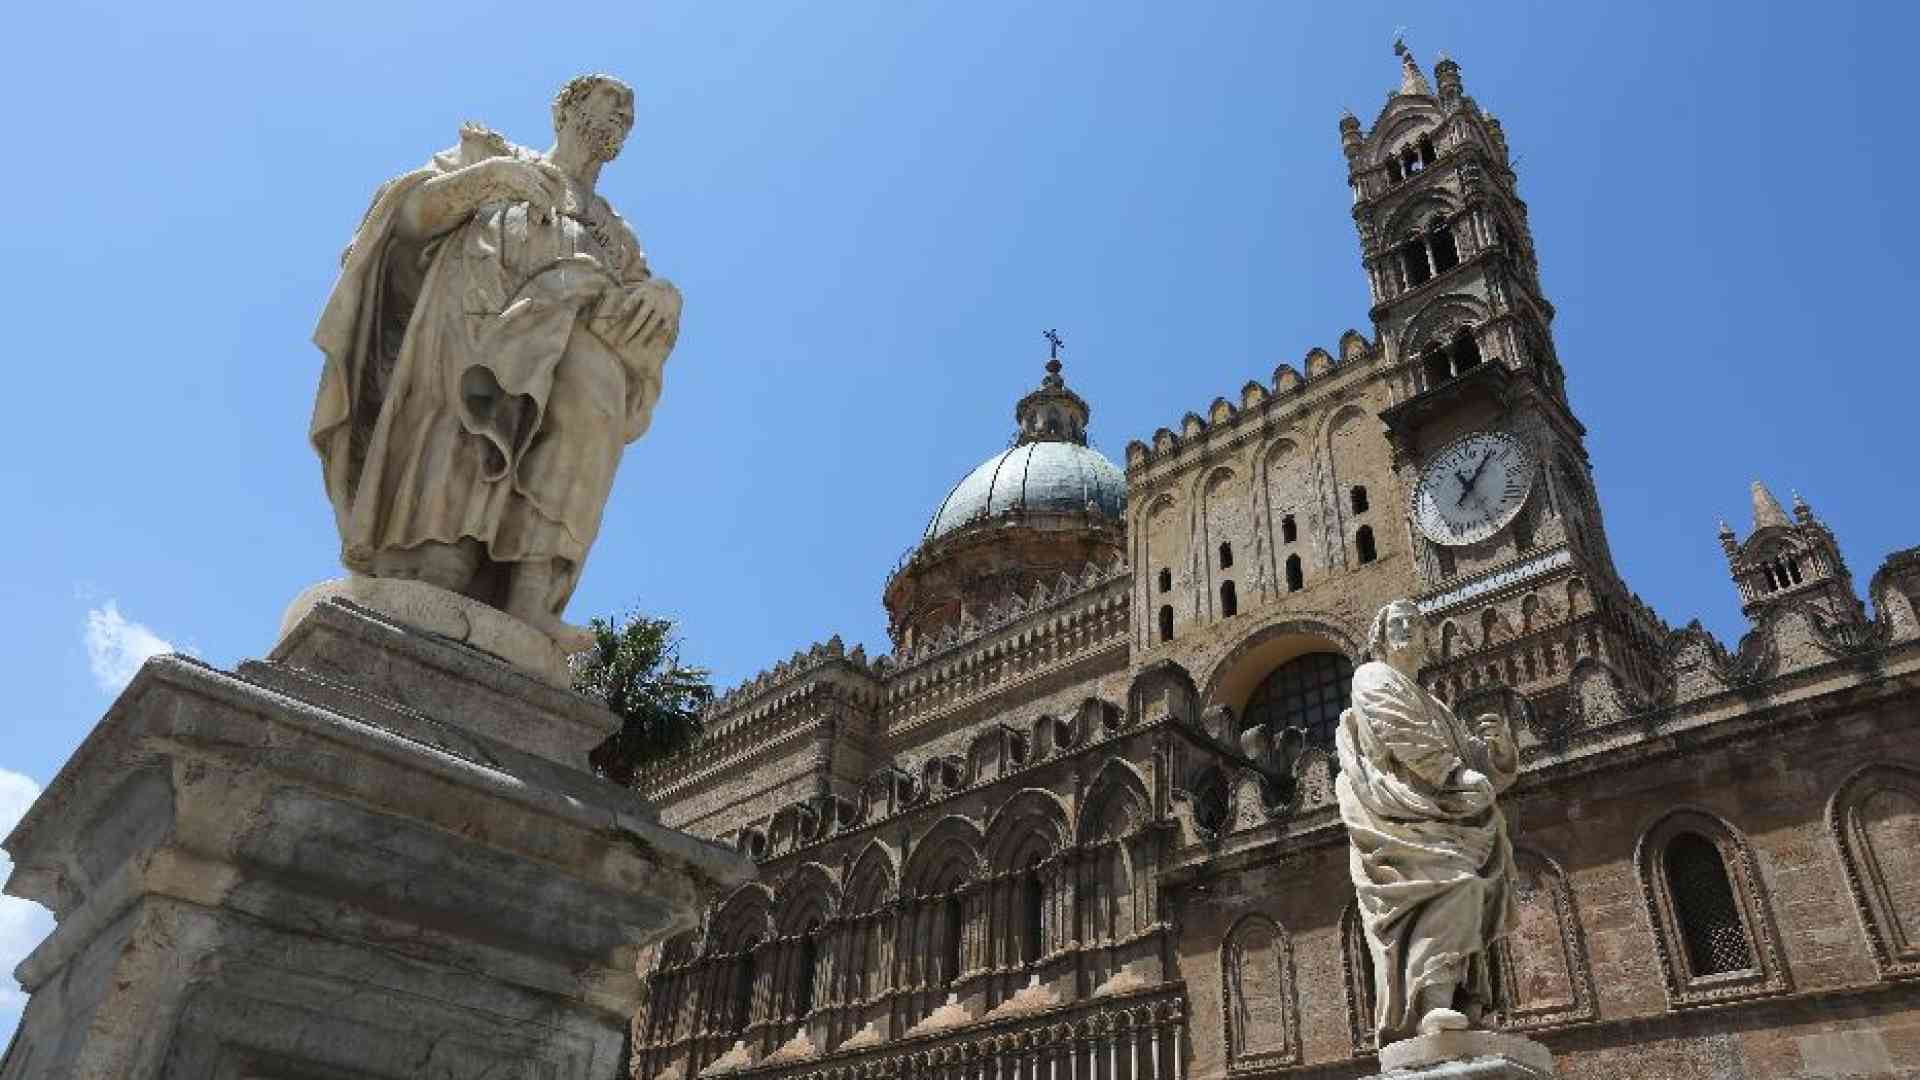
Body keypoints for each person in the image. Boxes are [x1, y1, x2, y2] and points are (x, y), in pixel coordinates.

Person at [310, 74, 680, 649]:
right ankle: (434, 558)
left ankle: (531, 597)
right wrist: (487, 180)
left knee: (592, 405)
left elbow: (639, 300)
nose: (624, 114)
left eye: (630, 113)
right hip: (468, 335)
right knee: (459, 456)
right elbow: (407, 220)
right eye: (611, 100)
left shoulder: (618, 236)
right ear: (565, 108)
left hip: (572, 348)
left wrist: (665, 297)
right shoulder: (490, 154)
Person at [1335, 599, 1519, 1043]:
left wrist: (1498, 754)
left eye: (1413, 624)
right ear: (1381, 637)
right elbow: (1404, 735)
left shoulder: (1434, 703)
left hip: (1441, 815)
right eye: (1396, 624)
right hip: (1400, 817)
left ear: (1425, 638)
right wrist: (1455, 777)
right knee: (1459, 885)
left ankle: (1462, 1002)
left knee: (1475, 891)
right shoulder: (1372, 677)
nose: (1405, 630)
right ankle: (1432, 1003)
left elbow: (1466, 756)